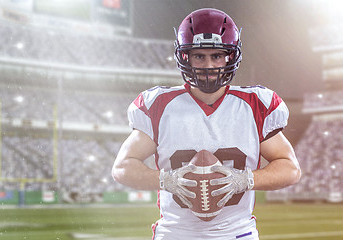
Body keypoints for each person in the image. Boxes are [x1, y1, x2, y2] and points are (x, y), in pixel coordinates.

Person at [112, 8, 301, 240]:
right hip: (176, 233)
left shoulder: (255, 104)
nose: (209, 65)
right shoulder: (158, 105)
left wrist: (245, 180)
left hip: (237, 232)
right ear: (185, 57)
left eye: (217, 56)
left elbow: (290, 168)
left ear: (230, 57)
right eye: (199, 56)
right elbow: (122, 167)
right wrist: (166, 180)